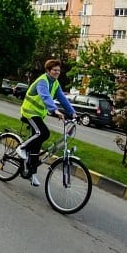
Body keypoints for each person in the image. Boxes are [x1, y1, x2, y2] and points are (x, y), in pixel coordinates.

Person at [17, 59, 76, 187]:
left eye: (59, 71)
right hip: (29, 112)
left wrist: (72, 112)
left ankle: (31, 174)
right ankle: (21, 147)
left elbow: (62, 98)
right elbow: (45, 97)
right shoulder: (42, 81)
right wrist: (55, 110)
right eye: (54, 70)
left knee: (37, 146)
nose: (57, 72)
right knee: (44, 133)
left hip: (38, 115)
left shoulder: (55, 83)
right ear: (48, 70)